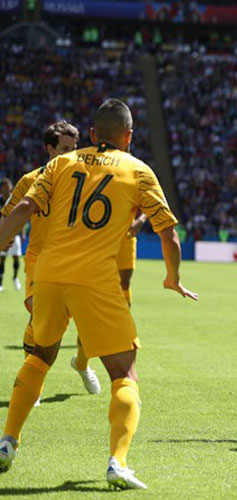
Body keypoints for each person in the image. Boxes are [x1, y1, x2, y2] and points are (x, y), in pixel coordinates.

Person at [0, 99, 197, 489]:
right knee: (124, 372)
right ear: (129, 136)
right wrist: (172, 277)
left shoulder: (60, 164)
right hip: (96, 279)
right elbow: (168, 234)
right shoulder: (138, 170)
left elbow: (23, 207)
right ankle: (117, 463)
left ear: (91, 135)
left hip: (51, 275)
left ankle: (7, 441)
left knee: (39, 356)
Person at [1, 121, 102, 397]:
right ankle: (29, 384)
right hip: (40, 258)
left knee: (88, 321)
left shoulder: (87, 178)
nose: (71, 153)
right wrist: (5, 235)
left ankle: (82, 364)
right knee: (39, 314)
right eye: (65, 149)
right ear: (50, 149)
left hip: (78, 258)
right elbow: (10, 213)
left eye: (74, 148)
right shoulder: (30, 180)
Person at [0, 178, 22, 292]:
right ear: (2, 188)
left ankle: (15, 278)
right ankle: (1, 281)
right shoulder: (0, 201)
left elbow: (21, 216)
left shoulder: (15, 199)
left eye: (9, 186)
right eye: (5, 186)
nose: (8, 188)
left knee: (16, 257)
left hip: (15, 232)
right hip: (4, 232)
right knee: (2, 258)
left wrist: (22, 233)